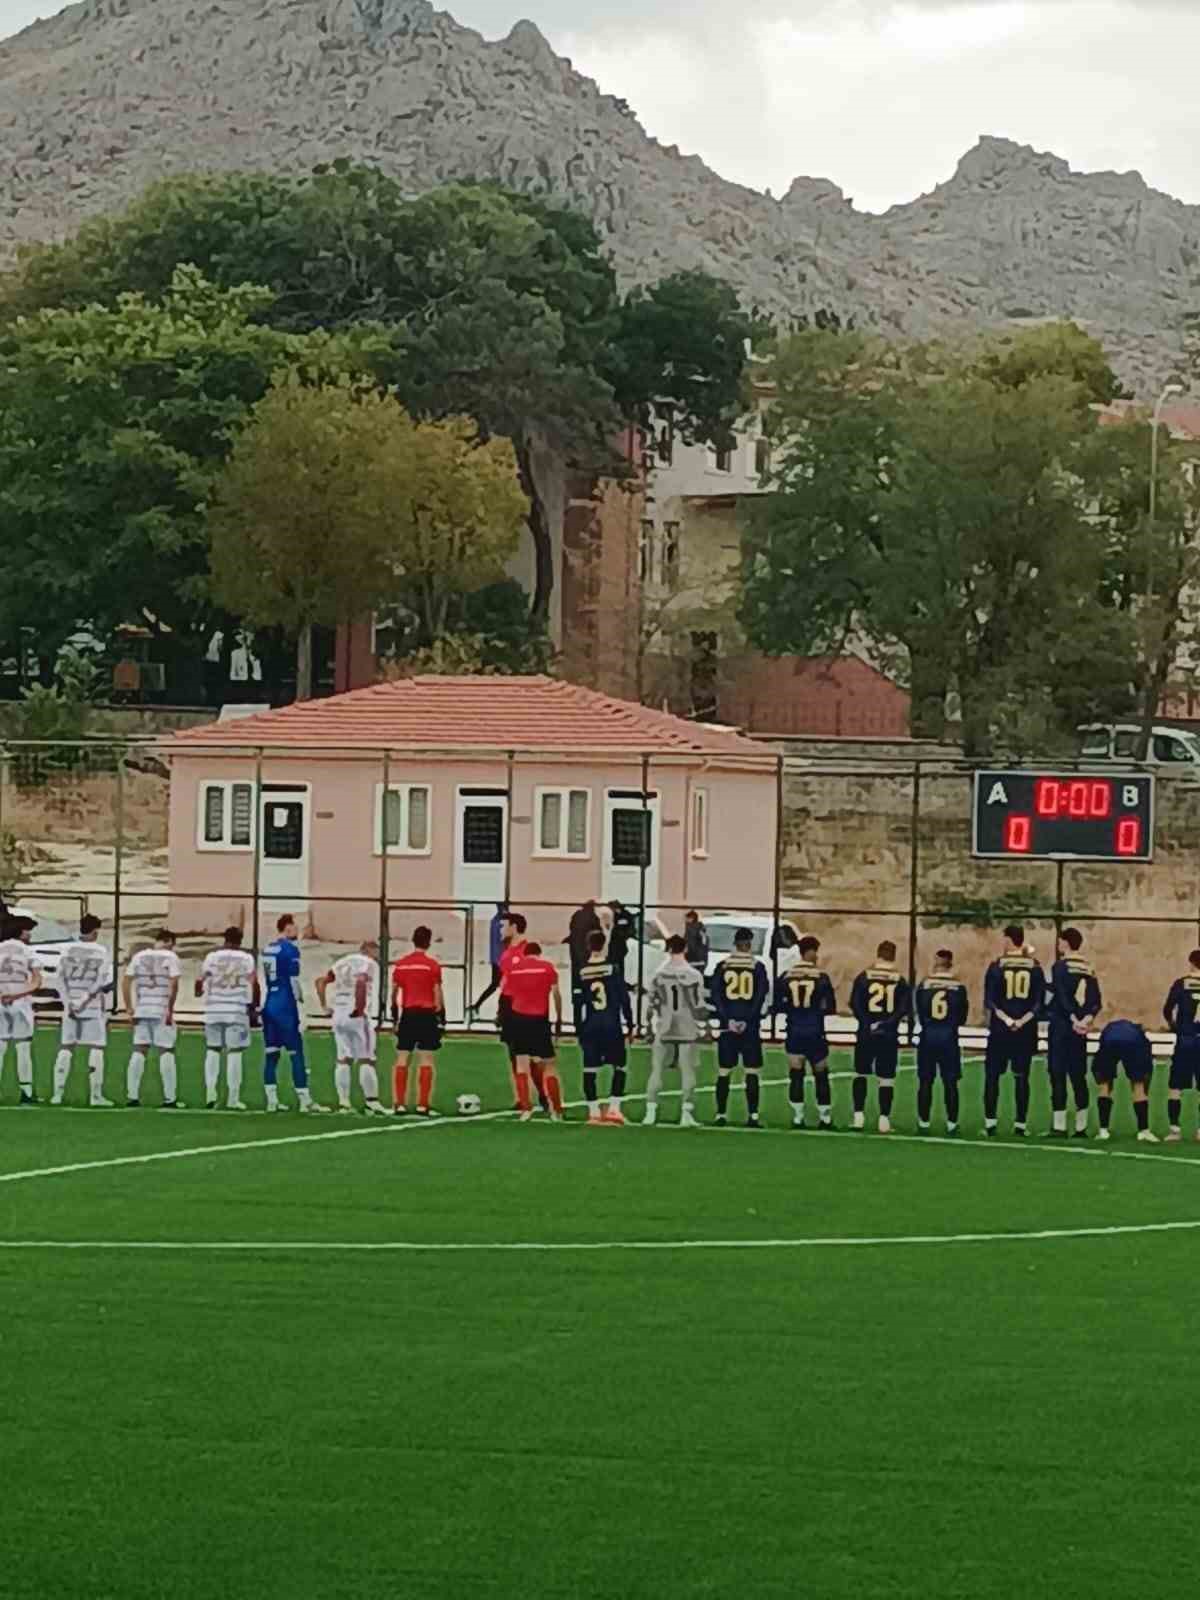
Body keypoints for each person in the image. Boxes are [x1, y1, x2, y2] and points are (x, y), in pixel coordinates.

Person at [982, 924, 1046, 1139]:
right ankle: (1020, 1124)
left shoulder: (997, 965)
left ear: (1009, 940)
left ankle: (990, 1124)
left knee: (993, 1077)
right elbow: (1039, 1002)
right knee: (1022, 1077)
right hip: (1025, 1030)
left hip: (1001, 1029)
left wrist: (1008, 1020)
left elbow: (990, 1000)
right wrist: (1023, 1020)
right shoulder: (1035, 966)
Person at [317, 940, 387, 1116]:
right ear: (370, 950)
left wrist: (324, 1006)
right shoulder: (368, 963)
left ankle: (344, 1102)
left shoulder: (342, 961)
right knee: (367, 1058)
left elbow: (321, 981)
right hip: (355, 1013)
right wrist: (360, 1007)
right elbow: (361, 982)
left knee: (343, 1058)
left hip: (338, 1012)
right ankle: (372, 1101)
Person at [644, 935, 708, 1128]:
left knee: (656, 1070)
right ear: (685, 949)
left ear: (668, 949)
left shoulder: (658, 974)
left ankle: (650, 1112)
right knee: (687, 1071)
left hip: (665, 1025)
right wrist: (706, 1025)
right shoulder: (694, 975)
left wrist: (648, 1025)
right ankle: (686, 1114)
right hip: (686, 1025)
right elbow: (698, 1005)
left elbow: (651, 1003)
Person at [774, 934, 837, 1130]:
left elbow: (777, 1005)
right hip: (815, 1030)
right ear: (809, 952)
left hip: (794, 1030)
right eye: (815, 952)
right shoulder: (822, 977)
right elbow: (831, 1007)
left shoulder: (786, 976)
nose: (817, 956)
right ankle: (825, 1118)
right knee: (821, 1073)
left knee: (796, 1073)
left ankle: (798, 1117)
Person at [51, 913, 114, 1108]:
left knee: (66, 1047)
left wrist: (68, 1002)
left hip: (69, 1005)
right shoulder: (101, 951)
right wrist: (84, 1001)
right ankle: (96, 1097)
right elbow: (101, 981)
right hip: (91, 1005)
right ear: (95, 931)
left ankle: (57, 1095)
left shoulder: (67, 950)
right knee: (96, 1047)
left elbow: (59, 979)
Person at [572, 927, 633, 1125]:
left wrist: (578, 1028)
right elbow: (624, 999)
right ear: (604, 945)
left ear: (588, 946)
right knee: (620, 1066)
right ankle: (614, 1109)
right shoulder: (613, 969)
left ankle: (594, 1112)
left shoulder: (581, 971)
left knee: (589, 1069)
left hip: (590, 1025)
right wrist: (630, 1023)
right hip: (611, 1024)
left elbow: (578, 1002)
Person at [850, 941, 912, 1134]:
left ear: (877, 954)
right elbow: (904, 1009)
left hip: (866, 1033)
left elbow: (855, 1003)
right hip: (888, 1035)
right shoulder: (899, 980)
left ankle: (858, 1117)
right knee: (886, 1079)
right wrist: (887, 1024)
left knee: (861, 1073)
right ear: (894, 956)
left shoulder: (864, 977)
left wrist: (868, 1022)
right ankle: (884, 1120)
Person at [712, 926, 771, 1128]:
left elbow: (716, 996)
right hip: (750, 1026)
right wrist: (747, 1019)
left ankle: (720, 1114)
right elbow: (760, 996)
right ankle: (753, 1116)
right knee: (751, 1071)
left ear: (735, 944)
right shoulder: (757, 966)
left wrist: (727, 1019)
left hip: (728, 1025)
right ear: (749, 944)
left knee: (724, 1071)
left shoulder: (723, 966)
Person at [196, 927, 259, 1111]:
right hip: (235, 1008)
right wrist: (254, 1008)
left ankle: (210, 1093)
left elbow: (200, 981)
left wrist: (200, 992)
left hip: (213, 1008)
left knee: (213, 1049)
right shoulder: (246, 958)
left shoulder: (211, 957)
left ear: (224, 939)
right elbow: (253, 983)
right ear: (241, 940)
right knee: (234, 1052)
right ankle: (233, 1098)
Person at [1047, 928, 1099, 1139]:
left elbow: (1061, 995)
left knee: (1058, 1073)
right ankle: (1081, 1126)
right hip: (1080, 1030)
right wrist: (1086, 1019)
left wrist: (1073, 1018)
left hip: (1062, 1026)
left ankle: (1059, 1126)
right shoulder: (1089, 967)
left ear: (1065, 942)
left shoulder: (1060, 966)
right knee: (1078, 1075)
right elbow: (1096, 1000)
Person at [261, 915, 316, 1114]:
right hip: (285, 1004)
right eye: (295, 927)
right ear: (288, 927)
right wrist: (300, 1004)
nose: (297, 931)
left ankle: (272, 1101)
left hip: (269, 1001)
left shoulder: (267, 948)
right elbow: (293, 980)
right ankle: (304, 1100)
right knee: (296, 1052)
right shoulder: (290, 950)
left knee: (271, 1054)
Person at [505, 941, 564, 1122]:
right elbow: (556, 994)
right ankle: (556, 1110)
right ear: (539, 953)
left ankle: (525, 1108)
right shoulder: (547, 968)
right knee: (549, 1065)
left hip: (519, 1019)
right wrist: (559, 1018)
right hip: (540, 1020)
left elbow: (508, 995)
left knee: (521, 1064)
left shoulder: (514, 969)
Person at [124, 930, 182, 1108]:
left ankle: (132, 1096)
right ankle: (169, 1098)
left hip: (142, 1008)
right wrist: (170, 1010)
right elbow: (174, 984)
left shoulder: (140, 956)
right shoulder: (171, 957)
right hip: (160, 1009)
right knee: (166, 1050)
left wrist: (129, 1008)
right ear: (168, 941)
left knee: (139, 1050)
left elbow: (126, 981)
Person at [497, 912, 549, 1114]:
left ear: (514, 927)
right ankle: (522, 1099)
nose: (501, 930)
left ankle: (543, 1094)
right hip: (508, 1005)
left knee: (534, 1055)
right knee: (514, 1053)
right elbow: (503, 981)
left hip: (525, 1007)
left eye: (504, 926)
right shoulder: (506, 952)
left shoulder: (525, 951)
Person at [391, 926, 444, 1118]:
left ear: (413, 940)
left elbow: (394, 993)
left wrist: (395, 1018)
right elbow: (437, 994)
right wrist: (440, 1017)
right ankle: (423, 1104)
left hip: (408, 1014)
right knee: (426, 1058)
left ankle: (399, 1104)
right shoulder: (432, 965)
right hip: (426, 1014)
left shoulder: (401, 965)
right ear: (428, 942)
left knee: (403, 1057)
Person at [914, 949, 968, 1136]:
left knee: (925, 1082)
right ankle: (952, 1123)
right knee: (950, 1083)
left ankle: (923, 1122)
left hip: (928, 1036)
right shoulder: (958, 987)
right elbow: (962, 1016)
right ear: (950, 963)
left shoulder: (925, 985)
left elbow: (920, 1012)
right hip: (949, 1037)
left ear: (936, 963)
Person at [1091, 1018, 1158, 1143]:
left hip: (1109, 1041)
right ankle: (1144, 1131)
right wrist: (1144, 1086)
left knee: (1105, 1085)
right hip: (1133, 1044)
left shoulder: (1109, 1029)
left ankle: (1103, 1130)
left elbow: (1098, 1071)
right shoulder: (1140, 1037)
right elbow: (1146, 1074)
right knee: (1138, 1086)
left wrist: (1103, 1078)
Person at [0, 914, 42, 1105]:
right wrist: (16, 995)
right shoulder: (27, 951)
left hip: (0, 1002)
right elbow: (37, 981)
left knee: (0, 1047)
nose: (30, 934)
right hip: (20, 1003)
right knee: (23, 1047)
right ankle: (26, 1093)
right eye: (28, 930)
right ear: (20, 932)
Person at [1163, 951, 1200, 1143]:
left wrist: (1174, 1027)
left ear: (1191, 963)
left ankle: (1175, 1129)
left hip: (1185, 1038)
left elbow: (1167, 1009)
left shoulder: (1181, 983)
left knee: (1175, 1086)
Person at [468, 903, 508, 1019]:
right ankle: (499, 1014)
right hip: (501, 960)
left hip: (496, 959)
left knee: (495, 985)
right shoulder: (501, 922)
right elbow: (503, 941)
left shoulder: (495, 920)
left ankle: (479, 1007)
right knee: (502, 986)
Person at [567, 898, 603, 979]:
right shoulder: (593, 916)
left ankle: (576, 983)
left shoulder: (577, 914)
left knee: (576, 964)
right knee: (586, 965)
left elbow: (571, 927)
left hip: (575, 943)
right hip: (586, 944)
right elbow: (597, 931)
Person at [606, 900, 636, 977]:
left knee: (616, 964)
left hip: (617, 945)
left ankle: (617, 980)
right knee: (616, 965)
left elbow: (630, 929)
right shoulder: (621, 915)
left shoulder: (624, 915)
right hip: (616, 945)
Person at [683, 910, 710, 975]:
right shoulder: (702, 931)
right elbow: (705, 945)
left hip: (691, 962)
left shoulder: (690, 930)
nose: (685, 920)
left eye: (687, 918)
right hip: (702, 962)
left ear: (691, 918)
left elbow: (688, 946)